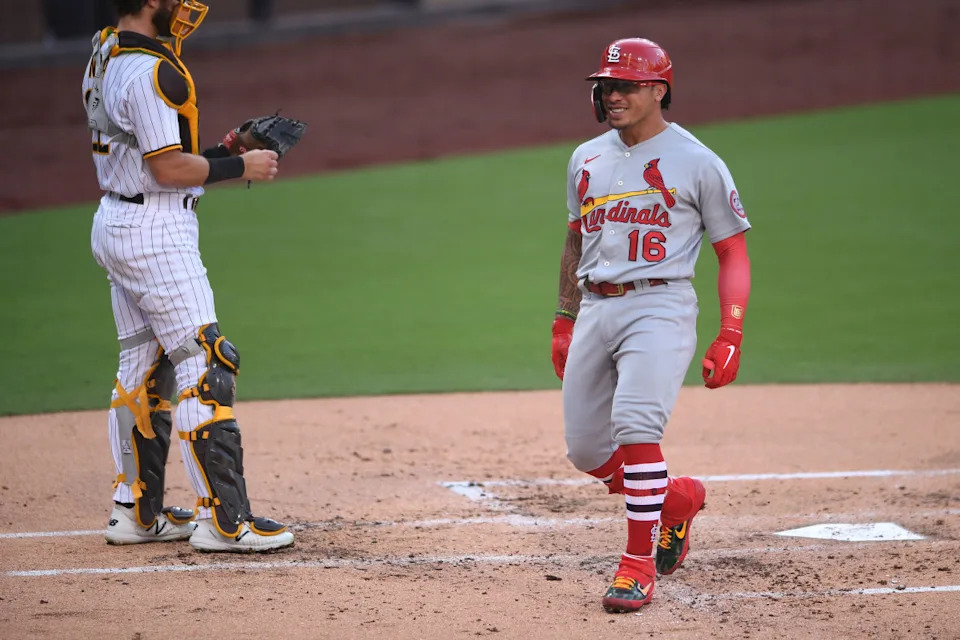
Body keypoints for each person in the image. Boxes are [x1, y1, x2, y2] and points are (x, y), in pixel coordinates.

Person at [83, 0, 294, 552]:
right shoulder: (159, 72)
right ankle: (225, 521)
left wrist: (223, 151)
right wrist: (240, 167)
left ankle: (136, 512)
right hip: (154, 234)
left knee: (144, 367)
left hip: (116, 221)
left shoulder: (104, 54)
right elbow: (166, 169)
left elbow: (150, 158)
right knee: (208, 358)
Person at [551, 37, 752, 612]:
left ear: (658, 90)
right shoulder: (585, 157)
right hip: (596, 306)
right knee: (586, 450)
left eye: (625, 86)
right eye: (605, 85)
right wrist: (564, 319)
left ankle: (637, 566)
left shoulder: (697, 161)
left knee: (637, 429)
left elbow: (732, 252)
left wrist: (730, 332)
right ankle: (676, 500)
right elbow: (574, 238)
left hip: (659, 305)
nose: (611, 95)